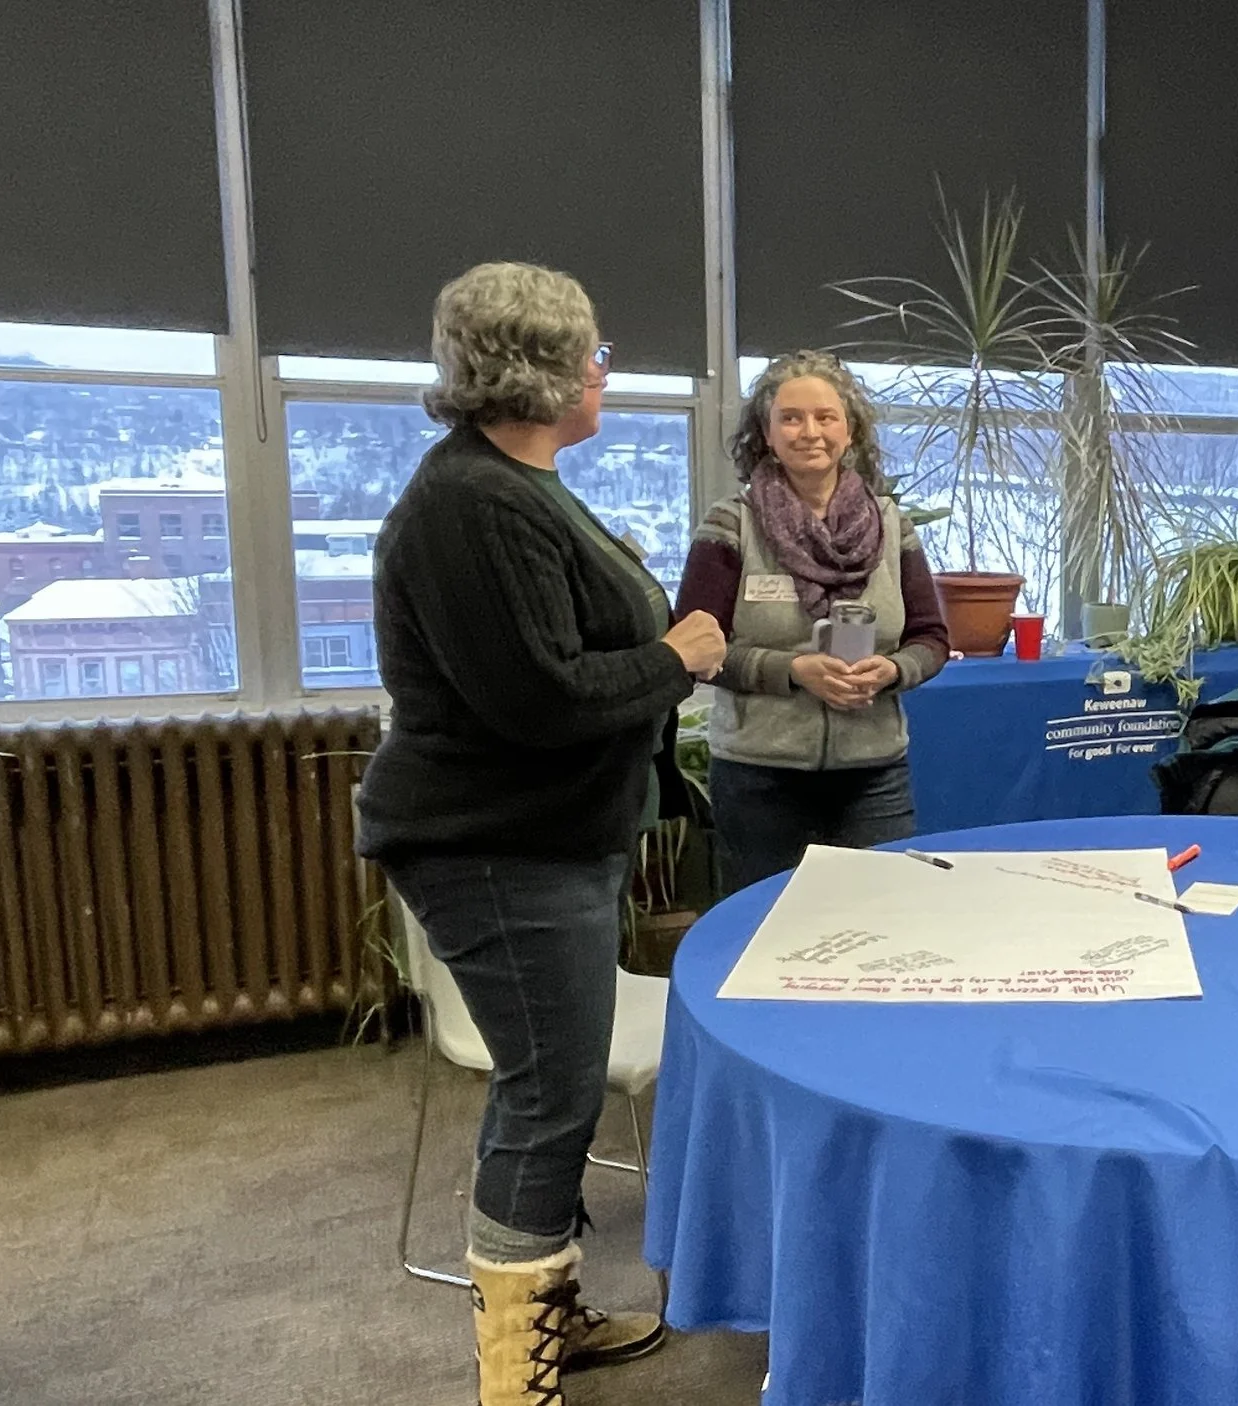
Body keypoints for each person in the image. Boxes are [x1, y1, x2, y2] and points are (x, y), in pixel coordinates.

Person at [355, 262, 726, 1403]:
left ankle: (547, 1308)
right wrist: (676, 657)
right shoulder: (473, 504)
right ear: (546, 369)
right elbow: (542, 698)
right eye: (596, 353)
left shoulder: (518, 486)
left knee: (551, 1087)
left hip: (547, 840)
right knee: (549, 1095)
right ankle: (516, 1371)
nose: (605, 373)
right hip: (497, 846)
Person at [673, 352, 949, 894]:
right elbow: (695, 648)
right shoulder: (732, 524)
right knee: (765, 926)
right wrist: (793, 671)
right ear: (767, 434)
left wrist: (892, 671)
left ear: (851, 431)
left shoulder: (892, 526)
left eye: (825, 417)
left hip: (874, 775)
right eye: (791, 418)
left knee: (883, 917)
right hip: (759, 777)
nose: (809, 432)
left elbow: (932, 639)